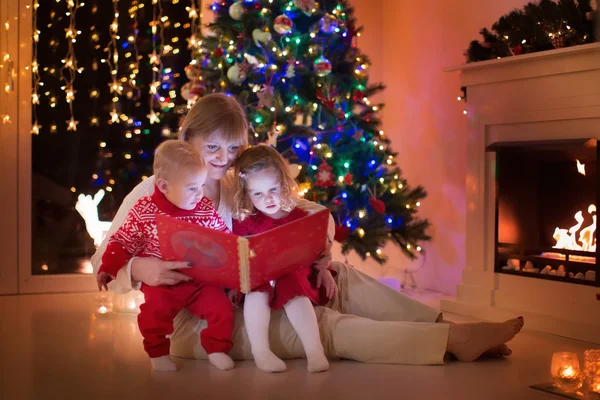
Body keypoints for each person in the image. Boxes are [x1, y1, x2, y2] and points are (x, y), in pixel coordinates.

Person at [91, 93, 524, 366]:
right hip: (195, 324)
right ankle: (451, 341)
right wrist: (139, 268)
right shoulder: (155, 191)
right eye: (212, 147)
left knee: (339, 277)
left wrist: (318, 250)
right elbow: (102, 261)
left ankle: (448, 327)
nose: (224, 158)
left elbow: (310, 211)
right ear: (188, 139)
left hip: (247, 296)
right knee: (318, 323)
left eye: (234, 148)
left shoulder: (238, 182)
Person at [97, 140, 235, 372]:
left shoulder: (203, 207)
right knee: (154, 313)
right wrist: (108, 268)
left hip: (200, 281)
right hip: (163, 283)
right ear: (163, 186)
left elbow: (223, 239)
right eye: (192, 187)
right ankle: (158, 352)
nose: (200, 193)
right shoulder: (144, 210)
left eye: (201, 185)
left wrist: (232, 264)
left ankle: (217, 348)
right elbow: (121, 241)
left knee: (221, 309)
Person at [231, 145, 335, 373]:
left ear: (284, 184)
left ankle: (314, 351)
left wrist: (325, 268)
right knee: (256, 290)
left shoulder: (299, 217)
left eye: (273, 189)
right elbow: (236, 253)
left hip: (291, 273)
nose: (267, 198)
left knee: (294, 290)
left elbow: (316, 251)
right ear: (246, 193)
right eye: (257, 193)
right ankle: (261, 352)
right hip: (260, 276)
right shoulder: (245, 220)